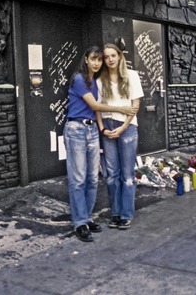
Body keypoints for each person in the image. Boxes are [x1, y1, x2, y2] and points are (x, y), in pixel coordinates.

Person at [64, 46, 139, 242]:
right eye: (95, 59)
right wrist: (120, 110)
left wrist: (116, 126)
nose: (99, 62)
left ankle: (88, 217)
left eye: (101, 59)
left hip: (93, 131)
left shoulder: (97, 80)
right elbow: (96, 106)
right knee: (79, 178)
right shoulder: (82, 79)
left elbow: (134, 105)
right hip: (78, 129)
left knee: (92, 178)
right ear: (86, 60)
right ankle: (80, 222)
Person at [97, 43, 143, 230]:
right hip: (107, 127)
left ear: (119, 56)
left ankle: (126, 215)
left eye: (113, 55)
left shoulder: (131, 75)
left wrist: (123, 127)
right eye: (106, 57)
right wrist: (102, 129)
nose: (110, 59)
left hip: (127, 127)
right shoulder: (101, 80)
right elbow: (98, 108)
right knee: (111, 175)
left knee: (127, 175)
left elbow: (136, 105)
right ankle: (115, 213)